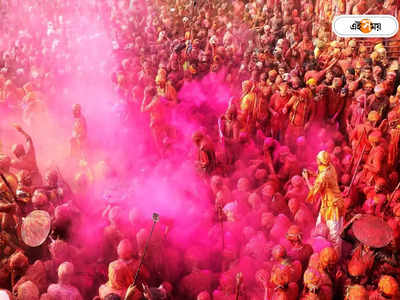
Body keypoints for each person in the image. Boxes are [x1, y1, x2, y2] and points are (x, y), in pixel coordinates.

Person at [303, 151, 345, 256]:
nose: (316, 159)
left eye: (317, 159)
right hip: (330, 204)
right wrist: (312, 174)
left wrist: (307, 179)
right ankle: (322, 251)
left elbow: (313, 191)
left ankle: (335, 258)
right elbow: (321, 175)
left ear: (320, 161)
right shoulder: (330, 166)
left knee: (334, 236)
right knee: (320, 228)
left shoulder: (323, 177)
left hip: (333, 208)